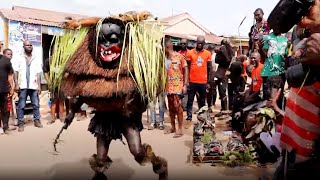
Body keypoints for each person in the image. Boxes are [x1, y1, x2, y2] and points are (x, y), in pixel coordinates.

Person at [272, 1, 320, 179]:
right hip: (292, 142)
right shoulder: (306, 40)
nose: (301, 20)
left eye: (311, 6)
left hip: (310, 155)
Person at [13, 40, 43, 132]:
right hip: (22, 86)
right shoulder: (19, 57)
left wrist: (39, 85)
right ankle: (20, 123)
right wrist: (16, 84)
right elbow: (15, 71)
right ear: (23, 46)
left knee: (36, 104)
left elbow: (38, 73)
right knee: (21, 105)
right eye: (27, 45)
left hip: (33, 86)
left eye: (30, 45)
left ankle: (37, 121)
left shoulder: (36, 58)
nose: (29, 46)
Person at [185, 35, 212, 129]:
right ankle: (189, 118)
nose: (200, 44)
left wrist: (208, 82)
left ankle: (202, 119)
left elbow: (209, 68)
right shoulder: (189, 53)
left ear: (204, 44)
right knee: (190, 101)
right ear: (196, 42)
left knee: (202, 101)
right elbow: (187, 67)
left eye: (202, 43)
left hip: (203, 82)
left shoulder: (208, 53)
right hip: (192, 81)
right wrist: (187, 80)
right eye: (199, 43)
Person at [164, 39, 188, 137]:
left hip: (178, 86)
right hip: (168, 86)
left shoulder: (179, 56)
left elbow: (186, 69)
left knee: (178, 107)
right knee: (171, 108)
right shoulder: (163, 58)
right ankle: (173, 127)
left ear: (168, 46)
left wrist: (185, 84)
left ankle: (180, 128)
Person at [262, 30, 288, 105]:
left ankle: (278, 114)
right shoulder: (267, 37)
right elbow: (264, 54)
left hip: (281, 72)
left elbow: (285, 55)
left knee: (279, 97)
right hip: (268, 72)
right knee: (268, 99)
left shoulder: (285, 39)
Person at [43, 55, 67, 124]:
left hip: (62, 84)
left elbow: (67, 71)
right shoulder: (49, 60)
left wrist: (64, 77)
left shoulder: (63, 60)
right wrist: (49, 82)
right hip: (53, 84)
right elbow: (45, 72)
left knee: (61, 100)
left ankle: (61, 116)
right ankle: (52, 117)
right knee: (53, 100)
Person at [214, 39, 234, 115]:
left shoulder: (228, 52)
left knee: (225, 92)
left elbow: (228, 60)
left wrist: (222, 49)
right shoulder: (223, 52)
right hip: (222, 74)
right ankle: (224, 109)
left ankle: (226, 109)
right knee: (223, 92)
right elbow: (217, 60)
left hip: (225, 74)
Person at [0, 53, 14, 134]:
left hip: (4, 89)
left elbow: (10, 75)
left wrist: (12, 87)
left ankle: (5, 126)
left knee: (5, 109)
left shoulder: (6, 60)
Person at [178, 38, 189, 111]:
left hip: (187, 76)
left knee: (186, 92)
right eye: (181, 43)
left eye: (184, 44)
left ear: (187, 44)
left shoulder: (190, 53)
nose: (183, 45)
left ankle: (185, 108)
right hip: (179, 76)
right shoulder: (178, 53)